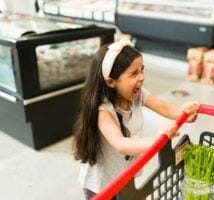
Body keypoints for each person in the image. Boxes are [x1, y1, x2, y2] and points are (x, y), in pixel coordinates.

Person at [73, 40, 199, 200]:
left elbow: (165, 108)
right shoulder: (103, 111)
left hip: (124, 176)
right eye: (134, 74)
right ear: (111, 82)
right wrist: (159, 138)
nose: (142, 78)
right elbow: (121, 144)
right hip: (101, 186)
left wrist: (185, 112)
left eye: (142, 70)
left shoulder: (138, 95)